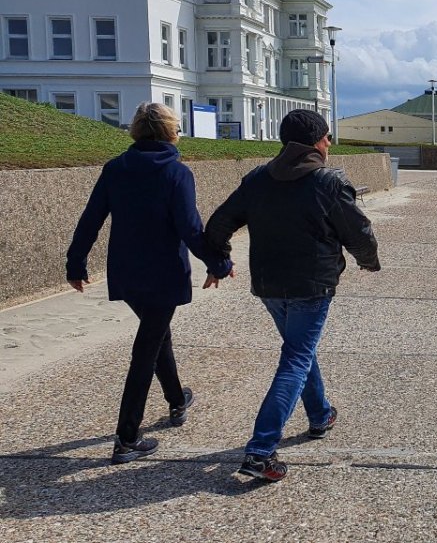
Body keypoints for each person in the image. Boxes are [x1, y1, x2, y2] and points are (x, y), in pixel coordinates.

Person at [206, 109, 380, 482]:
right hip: (311, 286)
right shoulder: (328, 182)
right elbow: (359, 231)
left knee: (299, 349)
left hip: (269, 285)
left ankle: (320, 415)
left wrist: (219, 261)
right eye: (327, 137)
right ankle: (261, 450)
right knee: (297, 357)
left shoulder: (257, 179)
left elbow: (218, 224)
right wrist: (369, 262)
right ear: (315, 142)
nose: (330, 143)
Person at [66, 102, 233, 465]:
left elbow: (91, 218)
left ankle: (176, 400)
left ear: (136, 132)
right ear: (171, 132)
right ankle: (127, 437)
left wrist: (75, 262)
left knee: (157, 334)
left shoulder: (115, 169)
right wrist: (219, 263)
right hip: (163, 273)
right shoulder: (176, 172)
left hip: (126, 272)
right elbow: (190, 228)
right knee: (146, 347)